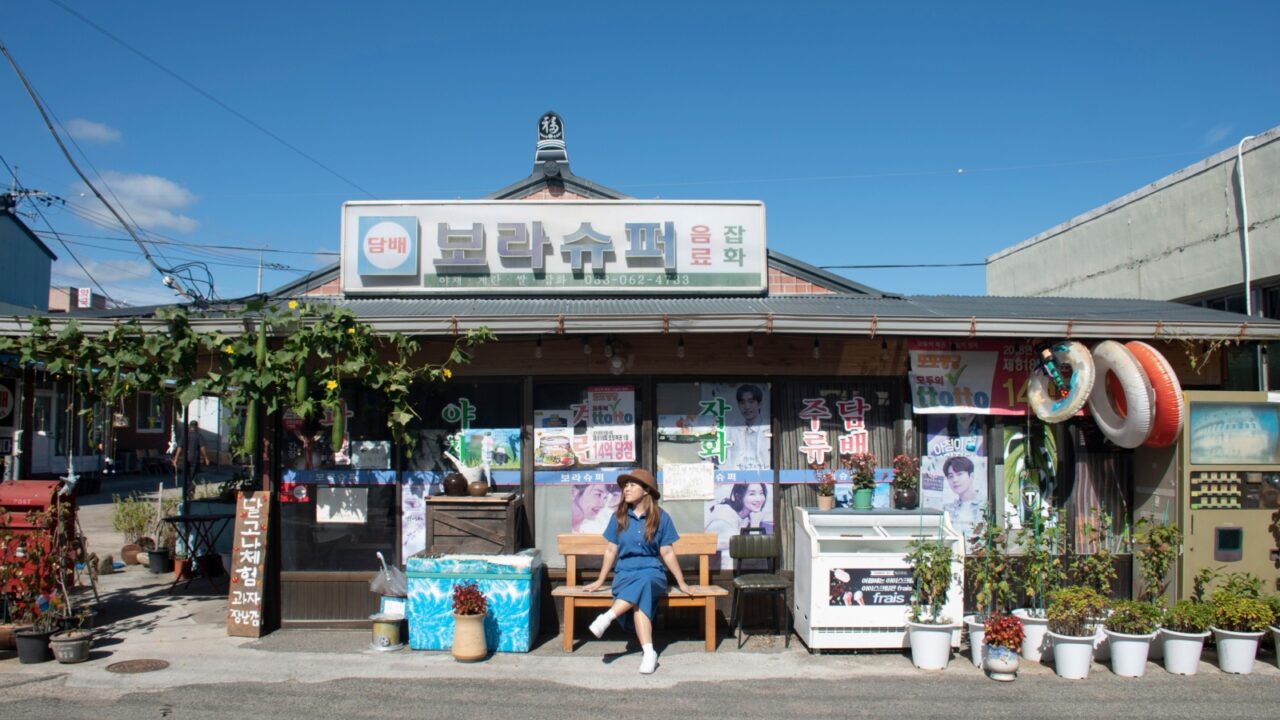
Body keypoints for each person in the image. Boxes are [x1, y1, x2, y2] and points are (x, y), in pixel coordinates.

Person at [583, 469, 691, 674]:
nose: (627, 488)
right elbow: (611, 550)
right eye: (625, 485)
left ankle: (608, 617)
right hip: (625, 572)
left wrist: (682, 582)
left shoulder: (661, 517)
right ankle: (649, 652)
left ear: (646, 491)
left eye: (632, 485)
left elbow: (667, 552)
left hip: (652, 572)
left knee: (645, 581)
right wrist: (599, 580)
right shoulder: (619, 517)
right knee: (642, 597)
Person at [705, 482, 769, 567]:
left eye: (761, 493)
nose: (759, 499)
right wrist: (755, 524)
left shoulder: (748, 516)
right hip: (718, 573)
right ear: (738, 496)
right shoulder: (723, 515)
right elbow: (750, 556)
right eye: (752, 494)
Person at [723, 384, 770, 469]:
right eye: (742, 402)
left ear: (760, 404)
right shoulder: (731, 430)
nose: (747, 407)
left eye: (751, 402)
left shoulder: (769, 429)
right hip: (736, 479)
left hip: (765, 479)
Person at [942, 455, 983, 539]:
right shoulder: (947, 509)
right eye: (950, 476)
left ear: (971, 476)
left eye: (959, 474)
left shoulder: (985, 504)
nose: (955, 480)